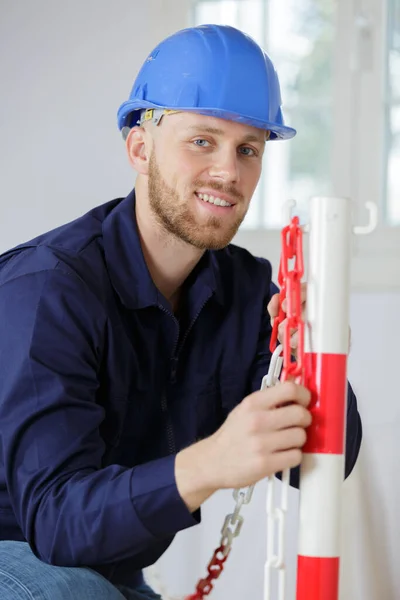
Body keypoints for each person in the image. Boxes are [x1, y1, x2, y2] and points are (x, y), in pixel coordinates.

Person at [0, 24, 361, 600]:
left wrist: (315, 358)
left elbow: (317, 464)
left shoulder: (246, 289)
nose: (228, 172)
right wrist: (213, 461)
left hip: (107, 573)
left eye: (248, 150)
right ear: (140, 148)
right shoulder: (48, 290)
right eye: (202, 141)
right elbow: (55, 524)